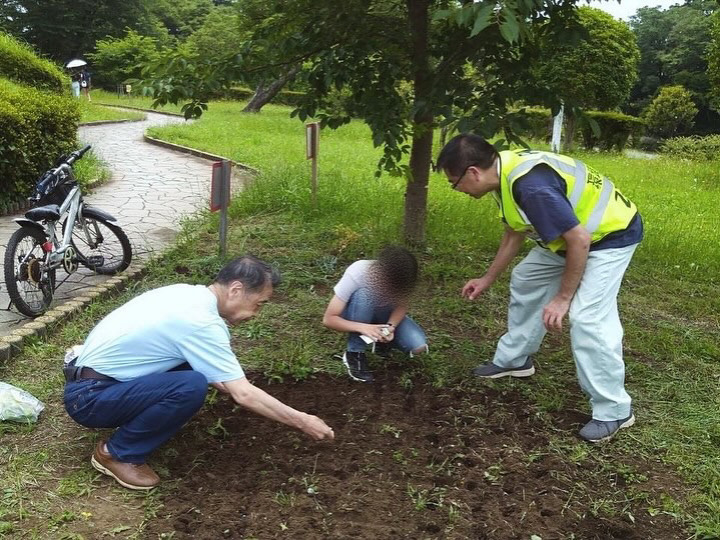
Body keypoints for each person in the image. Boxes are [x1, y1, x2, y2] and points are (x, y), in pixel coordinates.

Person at [436, 134, 643, 443]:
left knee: (588, 318)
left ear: (473, 172)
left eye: (455, 183)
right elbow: (514, 232)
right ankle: (515, 361)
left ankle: (614, 410)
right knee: (526, 278)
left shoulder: (532, 187)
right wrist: (487, 278)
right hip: (569, 239)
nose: (459, 190)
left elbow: (580, 241)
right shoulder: (503, 173)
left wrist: (562, 299)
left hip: (607, 237)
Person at [63, 256, 334, 491]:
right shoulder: (201, 322)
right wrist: (303, 421)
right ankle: (117, 453)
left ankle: (138, 426)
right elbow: (243, 393)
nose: (257, 313)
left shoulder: (186, 294)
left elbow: (226, 381)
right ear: (236, 289)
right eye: (259, 304)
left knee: (195, 371)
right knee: (191, 385)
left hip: (89, 381)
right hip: (90, 399)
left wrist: (233, 384)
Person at [322, 245, 428, 383]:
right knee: (365, 295)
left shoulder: (403, 280)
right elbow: (329, 319)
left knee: (418, 346)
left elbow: (402, 306)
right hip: (357, 313)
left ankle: (380, 342)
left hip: (383, 316)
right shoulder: (358, 272)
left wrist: (390, 326)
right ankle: (355, 352)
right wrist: (363, 328)